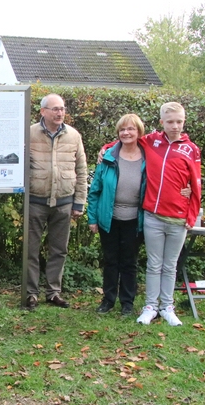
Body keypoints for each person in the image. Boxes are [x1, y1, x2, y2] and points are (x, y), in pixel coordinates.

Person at [101, 102, 201, 326]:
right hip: (153, 216)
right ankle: (150, 306)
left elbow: (196, 184)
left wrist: (191, 215)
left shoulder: (191, 149)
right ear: (161, 122)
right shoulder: (152, 141)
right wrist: (106, 147)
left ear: (184, 122)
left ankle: (167, 306)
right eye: (170, 121)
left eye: (179, 122)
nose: (175, 126)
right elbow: (126, 140)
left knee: (170, 264)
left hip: (178, 217)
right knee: (154, 264)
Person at [26, 94, 88, 310]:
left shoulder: (74, 135)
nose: (59, 112)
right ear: (43, 111)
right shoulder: (30, 133)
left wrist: (79, 202)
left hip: (64, 203)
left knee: (59, 250)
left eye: (62, 108)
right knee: (31, 250)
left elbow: (81, 169)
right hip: (35, 201)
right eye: (54, 109)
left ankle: (53, 292)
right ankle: (30, 293)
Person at [87, 114, 146, 316]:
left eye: (131, 129)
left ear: (139, 132)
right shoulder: (108, 157)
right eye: (122, 129)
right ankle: (108, 300)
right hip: (109, 219)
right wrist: (92, 218)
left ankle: (127, 303)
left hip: (134, 220)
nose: (126, 133)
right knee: (111, 261)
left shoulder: (148, 158)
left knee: (129, 262)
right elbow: (95, 190)